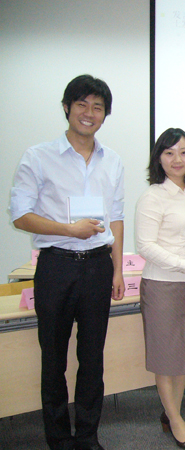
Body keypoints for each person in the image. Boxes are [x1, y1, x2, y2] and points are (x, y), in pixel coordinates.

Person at [10, 74, 124, 450]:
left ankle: (88, 436)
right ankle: (58, 438)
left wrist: (117, 269)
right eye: (81, 104)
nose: (89, 113)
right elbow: (20, 215)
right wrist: (68, 230)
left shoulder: (113, 161)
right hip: (56, 266)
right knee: (54, 358)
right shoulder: (38, 156)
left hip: (98, 266)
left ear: (105, 114)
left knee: (92, 358)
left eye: (98, 107)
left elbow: (117, 218)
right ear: (66, 107)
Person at [135, 128, 185, 449]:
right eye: (169, 152)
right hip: (162, 285)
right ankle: (176, 421)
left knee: (183, 355)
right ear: (159, 158)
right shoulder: (153, 196)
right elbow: (145, 246)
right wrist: (183, 264)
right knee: (166, 357)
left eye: (184, 152)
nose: (178, 159)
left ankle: (171, 414)